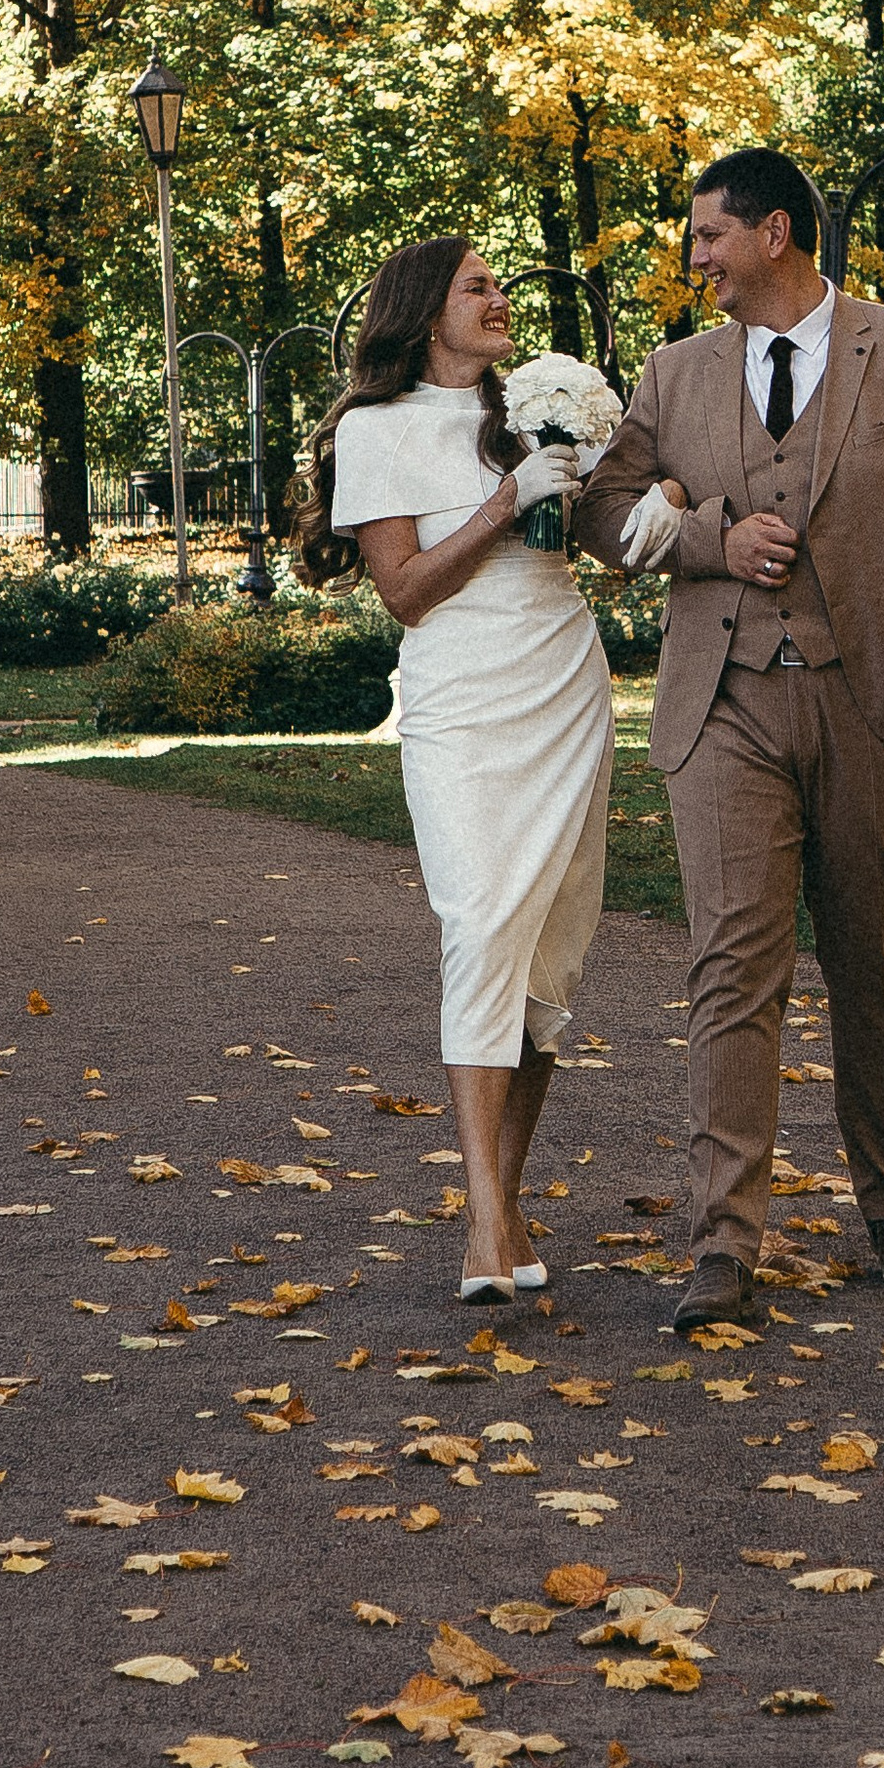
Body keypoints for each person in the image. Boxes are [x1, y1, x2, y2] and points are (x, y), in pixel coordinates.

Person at [577, 148, 884, 1332]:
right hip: (722, 700)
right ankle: (722, 1245)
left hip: (876, 697)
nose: (695, 261)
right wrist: (711, 539)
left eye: (708, 238)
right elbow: (601, 511)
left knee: (872, 962)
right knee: (731, 967)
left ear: (775, 232)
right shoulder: (673, 374)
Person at [300, 237, 613, 1304]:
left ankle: (505, 1208)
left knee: (548, 961)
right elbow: (405, 590)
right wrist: (503, 498)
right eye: (477, 287)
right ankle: (484, 1222)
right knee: (481, 923)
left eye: (499, 285)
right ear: (423, 311)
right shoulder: (377, 432)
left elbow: (608, 531)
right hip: (462, 703)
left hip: (563, 685)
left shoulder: (532, 409)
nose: (500, 300)